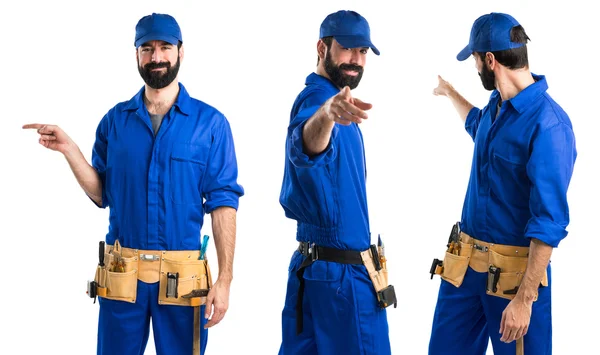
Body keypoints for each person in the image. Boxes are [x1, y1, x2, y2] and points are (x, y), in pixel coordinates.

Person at [23, 13, 243, 355]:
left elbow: (223, 204)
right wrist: (70, 149)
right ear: (137, 54)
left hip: (182, 280)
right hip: (122, 276)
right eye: (147, 48)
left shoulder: (211, 124)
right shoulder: (115, 121)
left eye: (165, 47)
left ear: (181, 52)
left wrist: (225, 279)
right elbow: (102, 193)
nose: (156, 57)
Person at [429, 12, 576, 355]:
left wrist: (524, 300)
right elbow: (477, 127)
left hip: (514, 282)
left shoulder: (549, 125)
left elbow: (549, 222)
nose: (475, 67)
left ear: (490, 60)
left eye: (476, 60)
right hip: (463, 269)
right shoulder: (496, 106)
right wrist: (451, 93)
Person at [278, 10, 393, 355]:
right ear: (321, 47)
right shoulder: (319, 102)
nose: (356, 60)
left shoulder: (334, 101)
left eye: (363, 52)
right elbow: (307, 145)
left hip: (311, 270)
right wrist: (326, 115)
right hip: (342, 280)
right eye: (347, 49)